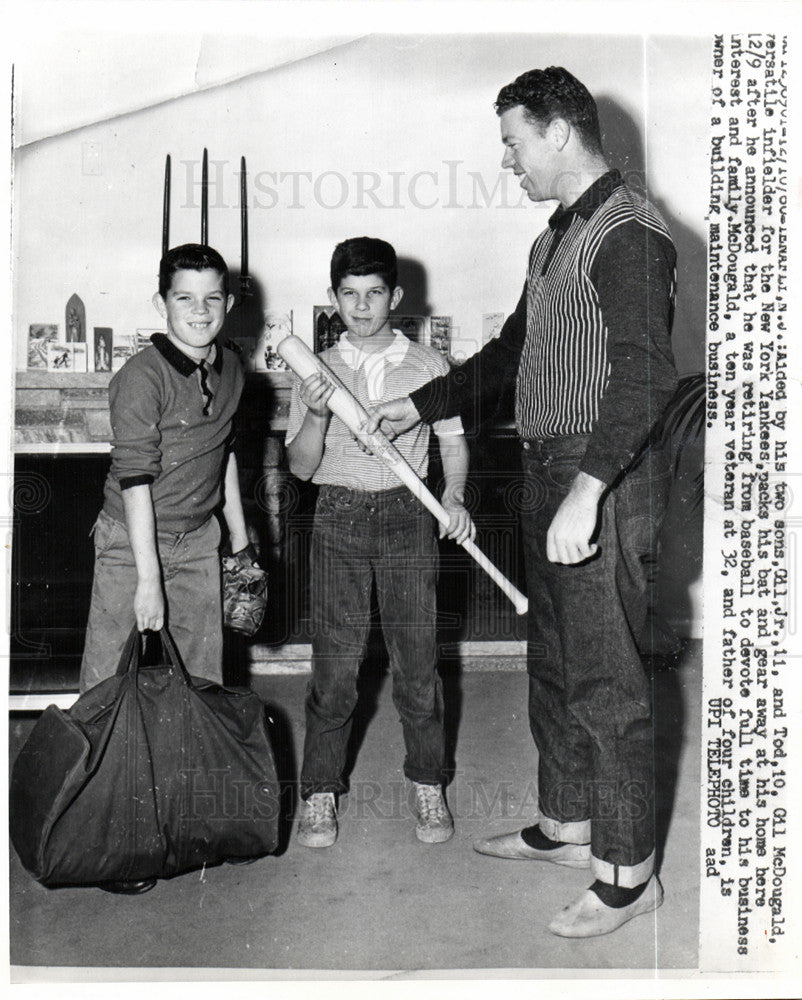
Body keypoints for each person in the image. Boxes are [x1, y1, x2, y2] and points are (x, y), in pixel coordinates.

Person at [366, 68, 679, 937]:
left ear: (559, 134)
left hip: (600, 475)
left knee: (609, 677)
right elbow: (513, 350)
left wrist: (588, 491)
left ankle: (627, 876)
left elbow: (646, 374)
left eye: (512, 141)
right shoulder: (554, 238)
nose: (507, 159)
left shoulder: (630, 232)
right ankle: (567, 823)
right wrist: (421, 404)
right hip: (550, 469)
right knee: (553, 659)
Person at [285, 236, 475, 849]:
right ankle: (318, 791)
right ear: (333, 299)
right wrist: (316, 415)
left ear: (396, 295)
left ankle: (427, 780)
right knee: (335, 668)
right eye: (349, 295)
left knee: (417, 662)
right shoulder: (317, 371)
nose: (362, 307)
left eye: (374, 294)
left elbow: (452, 443)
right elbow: (302, 469)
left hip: (407, 516)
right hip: (337, 517)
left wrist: (453, 499)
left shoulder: (430, 366)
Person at [80, 242, 252, 701]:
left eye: (212, 298)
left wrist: (240, 540)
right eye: (184, 298)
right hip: (129, 542)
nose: (200, 310)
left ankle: (194, 771)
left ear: (228, 304)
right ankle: (94, 771)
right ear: (161, 304)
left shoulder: (233, 366)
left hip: (198, 540)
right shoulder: (141, 376)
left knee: (203, 681)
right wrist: (149, 579)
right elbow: (134, 479)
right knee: (105, 682)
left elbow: (224, 451)